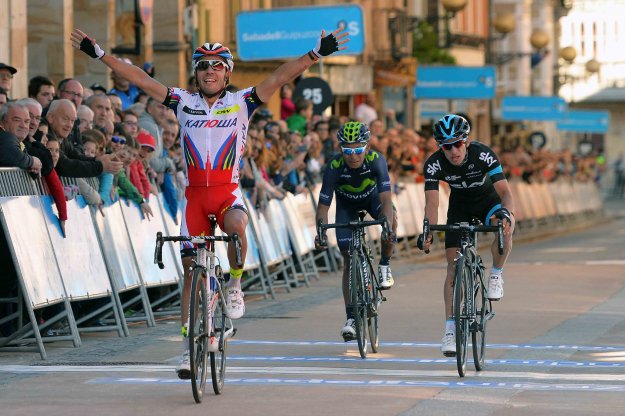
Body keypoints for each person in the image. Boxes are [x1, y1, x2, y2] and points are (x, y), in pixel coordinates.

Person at [72, 24, 348, 378]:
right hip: (194, 198)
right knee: (191, 272)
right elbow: (139, 79)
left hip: (226, 192)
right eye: (204, 66)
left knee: (235, 226)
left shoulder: (242, 102)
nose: (210, 72)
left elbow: (280, 76)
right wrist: (100, 55)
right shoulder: (182, 102)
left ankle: (234, 285)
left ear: (227, 73)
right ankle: (188, 347)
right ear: (196, 73)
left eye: (217, 66)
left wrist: (316, 54)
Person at [417, 114, 515, 356]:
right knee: (452, 265)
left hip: (488, 202)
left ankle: (496, 274)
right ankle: (450, 329)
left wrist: (506, 215)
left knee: (504, 227)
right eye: (446, 146)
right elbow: (432, 204)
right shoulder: (434, 164)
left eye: (458, 144)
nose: (453, 151)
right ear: (440, 147)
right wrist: (428, 229)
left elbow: (505, 192)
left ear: (466, 142)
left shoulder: (483, 154)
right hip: (459, 207)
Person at [314, 121, 397, 341]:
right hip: (346, 208)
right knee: (349, 258)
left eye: (358, 149)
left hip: (373, 200)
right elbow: (323, 205)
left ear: (367, 147)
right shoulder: (333, 166)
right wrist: (320, 232)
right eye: (347, 150)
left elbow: (386, 198)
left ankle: (385, 265)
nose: (353, 155)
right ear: (340, 149)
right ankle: (351, 317)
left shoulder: (376, 161)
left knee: (391, 221)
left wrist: (387, 225)